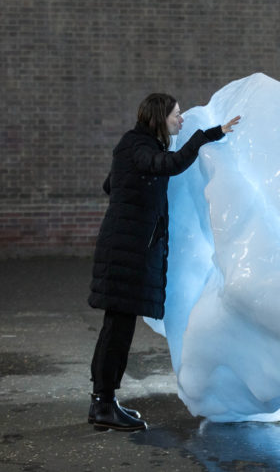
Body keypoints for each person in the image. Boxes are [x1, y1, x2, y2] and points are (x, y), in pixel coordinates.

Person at [87, 93, 240, 431]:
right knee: (117, 330)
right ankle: (103, 405)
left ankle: (104, 403)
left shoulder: (136, 146)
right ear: (160, 116)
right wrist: (207, 135)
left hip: (126, 249)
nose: (181, 120)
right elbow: (166, 166)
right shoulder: (137, 144)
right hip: (126, 252)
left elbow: (111, 184)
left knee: (117, 327)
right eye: (177, 114)